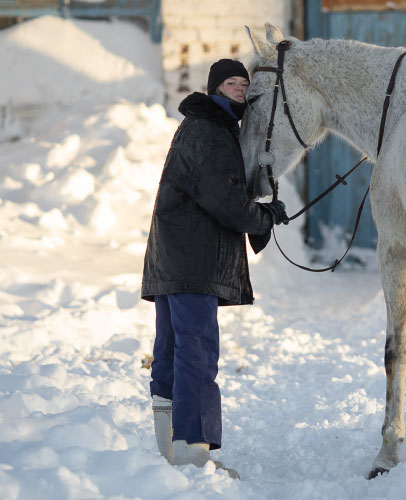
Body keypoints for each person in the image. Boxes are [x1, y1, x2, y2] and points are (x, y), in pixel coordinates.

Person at [141, 59, 288, 477]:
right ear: (214, 88)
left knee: (173, 349)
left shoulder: (210, 128)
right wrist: (262, 219)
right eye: (231, 82)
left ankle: (172, 451)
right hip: (192, 261)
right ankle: (193, 453)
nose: (240, 89)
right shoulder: (210, 130)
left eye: (244, 83)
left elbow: (215, 192)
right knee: (197, 352)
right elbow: (221, 199)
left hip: (177, 259)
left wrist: (260, 213)